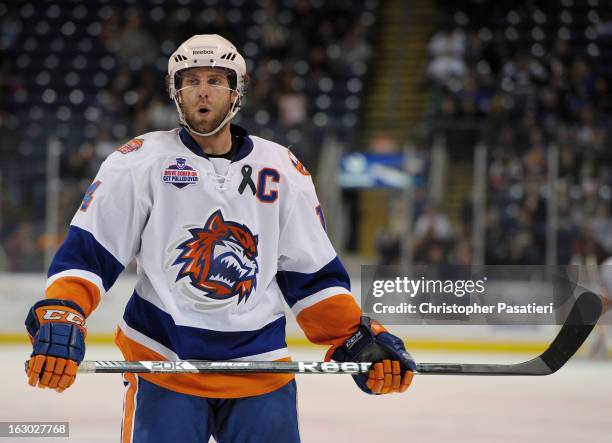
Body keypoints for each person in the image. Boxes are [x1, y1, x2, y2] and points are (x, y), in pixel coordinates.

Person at [24, 35, 416, 443]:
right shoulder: (137, 162)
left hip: (260, 365)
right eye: (191, 80)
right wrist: (63, 311)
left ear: (237, 90)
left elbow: (310, 275)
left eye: (216, 79)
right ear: (176, 92)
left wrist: (351, 335)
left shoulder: (282, 167)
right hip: (164, 359)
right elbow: (89, 255)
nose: (203, 91)